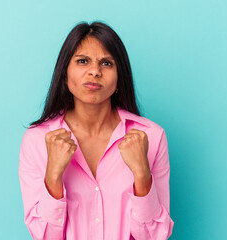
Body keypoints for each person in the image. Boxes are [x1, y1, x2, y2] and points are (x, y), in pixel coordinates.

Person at [19, 21, 174, 240]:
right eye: (83, 61)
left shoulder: (151, 136)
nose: (94, 71)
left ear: (120, 76)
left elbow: (155, 235)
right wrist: (53, 177)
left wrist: (142, 174)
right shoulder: (36, 140)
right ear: (65, 73)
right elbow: (44, 236)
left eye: (107, 63)